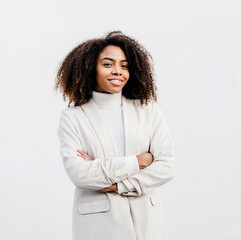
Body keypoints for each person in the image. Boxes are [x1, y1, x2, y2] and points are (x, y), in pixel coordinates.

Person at [55, 31, 175, 240]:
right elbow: (80, 174)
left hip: (147, 221)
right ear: (90, 67)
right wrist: (139, 161)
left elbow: (166, 167)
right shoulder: (72, 118)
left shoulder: (147, 110)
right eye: (108, 64)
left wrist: (116, 185)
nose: (118, 71)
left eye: (124, 65)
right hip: (99, 225)